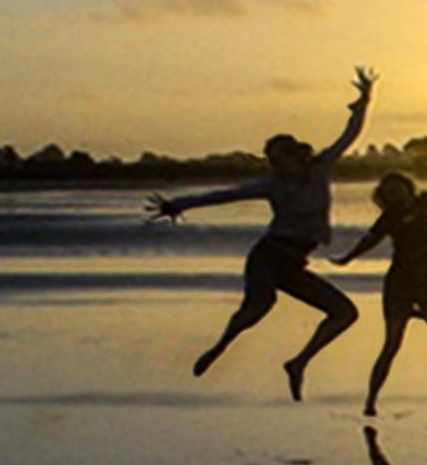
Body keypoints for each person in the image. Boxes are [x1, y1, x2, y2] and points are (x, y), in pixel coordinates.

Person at [148, 66, 377, 402]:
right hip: (268, 257)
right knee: (258, 308)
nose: (274, 166)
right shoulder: (271, 185)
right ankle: (220, 347)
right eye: (270, 161)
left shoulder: (320, 168)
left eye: (279, 159)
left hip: (295, 263)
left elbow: (349, 135)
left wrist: (364, 101)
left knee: (344, 313)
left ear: (295, 156)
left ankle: (298, 363)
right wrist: (177, 205)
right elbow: (224, 195)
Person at [333, 145, 427, 418]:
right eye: (391, 192)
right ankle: (370, 402)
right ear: (385, 197)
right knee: (391, 344)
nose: (397, 195)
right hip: (401, 282)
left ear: (408, 188)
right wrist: (347, 258)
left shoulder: (426, 202)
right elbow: (368, 241)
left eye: (400, 189)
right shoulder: (388, 218)